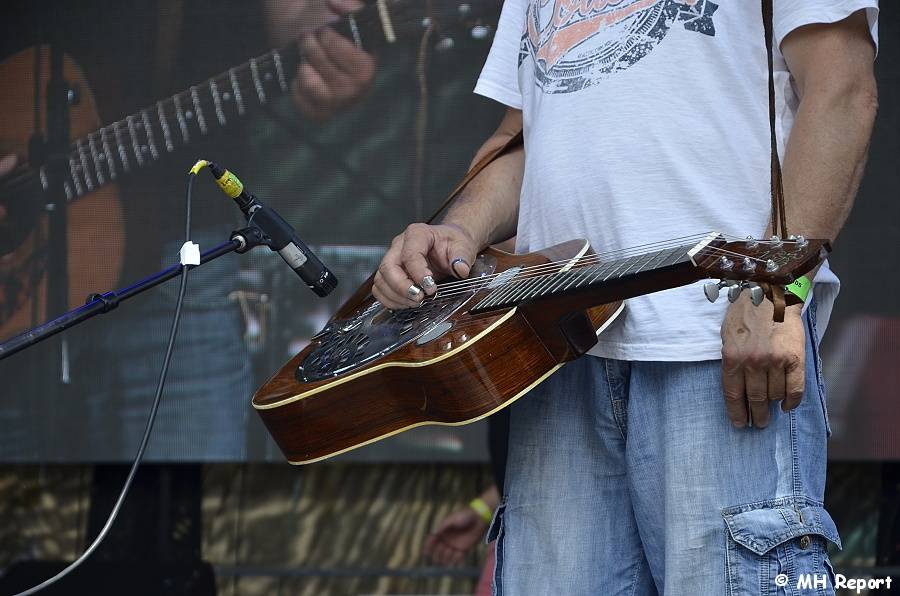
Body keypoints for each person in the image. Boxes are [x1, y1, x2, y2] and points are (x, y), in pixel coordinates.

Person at [374, 1, 879, 593]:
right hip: (554, 349)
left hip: (716, 341)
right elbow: (522, 137)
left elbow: (842, 89)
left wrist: (777, 285)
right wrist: (459, 230)